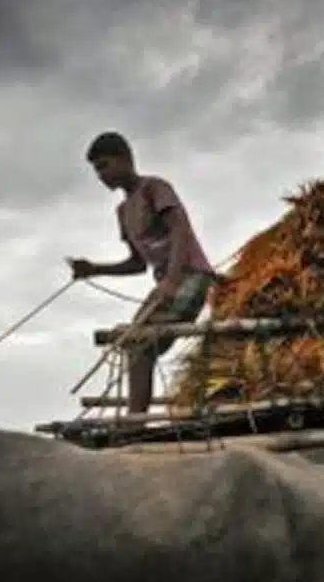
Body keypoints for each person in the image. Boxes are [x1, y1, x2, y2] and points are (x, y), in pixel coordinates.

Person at [69, 132, 217, 414]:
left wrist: (172, 280)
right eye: (97, 171)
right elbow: (138, 264)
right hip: (166, 282)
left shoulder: (155, 188)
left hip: (191, 275)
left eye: (105, 166)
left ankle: (136, 420)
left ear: (125, 159)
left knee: (141, 343)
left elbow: (180, 229)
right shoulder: (124, 212)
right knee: (133, 342)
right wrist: (94, 269)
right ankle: (135, 417)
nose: (102, 176)